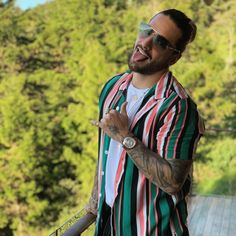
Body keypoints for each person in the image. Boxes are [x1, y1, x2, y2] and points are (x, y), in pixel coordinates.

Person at [86, 8, 204, 236]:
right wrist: (95, 201)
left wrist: (124, 137)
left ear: (174, 57)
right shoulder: (113, 87)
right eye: (146, 31)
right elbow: (105, 154)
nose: (145, 43)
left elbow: (172, 182)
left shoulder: (177, 105)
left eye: (160, 41)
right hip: (109, 222)